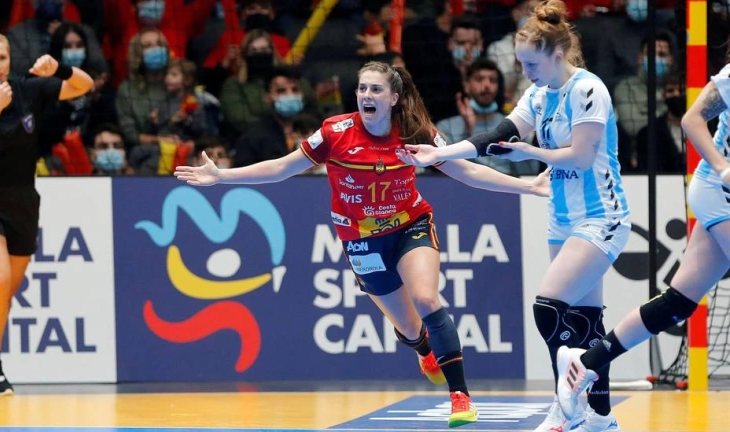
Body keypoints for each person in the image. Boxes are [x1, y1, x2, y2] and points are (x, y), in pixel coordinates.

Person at [175, 60, 548, 429]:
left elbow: (465, 170)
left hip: (410, 226)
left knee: (426, 300)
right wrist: (221, 176)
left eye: (376, 89)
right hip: (361, 241)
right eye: (362, 88)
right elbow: (280, 168)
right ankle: (423, 349)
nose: (366, 95)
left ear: (394, 98)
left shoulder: (415, 131)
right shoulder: (334, 132)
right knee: (408, 327)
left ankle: (460, 397)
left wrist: (528, 186)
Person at [396, 1, 629, 431]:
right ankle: (599, 416)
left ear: (557, 55)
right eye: (521, 63)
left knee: (548, 307)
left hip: (602, 216)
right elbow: (499, 135)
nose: (525, 71)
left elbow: (581, 157)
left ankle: (567, 396)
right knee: (586, 319)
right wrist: (439, 153)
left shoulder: (588, 90)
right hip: (561, 217)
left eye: (532, 63)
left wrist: (530, 152)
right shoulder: (538, 94)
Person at [556, 44, 730, 423]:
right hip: (718, 191)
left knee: (677, 303)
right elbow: (692, 120)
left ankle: (586, 362)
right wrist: (722, 167)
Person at [0, 30, 93, 396]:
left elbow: (83, 85)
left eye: (2, 58)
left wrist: (59, 68)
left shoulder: (28, 89)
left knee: (5, 291)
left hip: (22, 202)